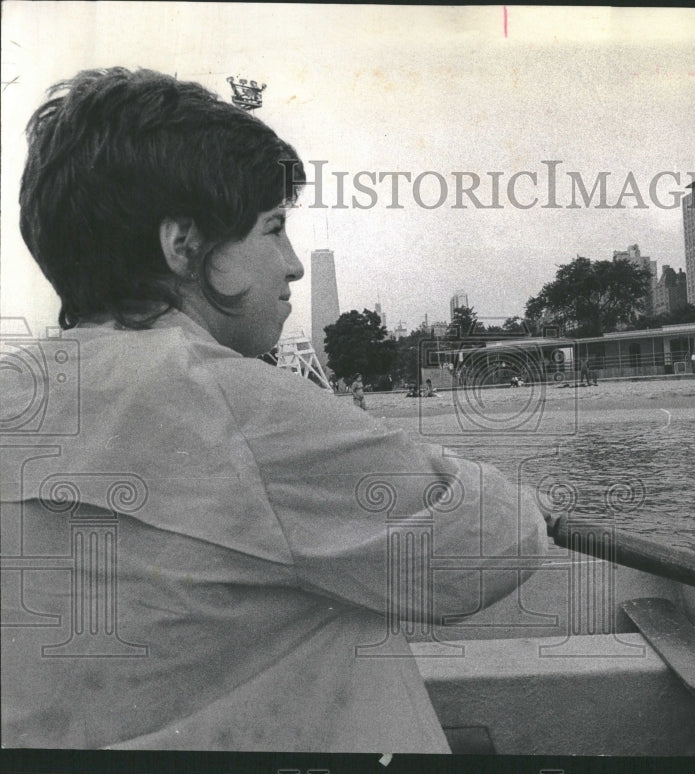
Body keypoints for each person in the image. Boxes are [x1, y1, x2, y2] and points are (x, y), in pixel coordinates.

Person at [2, 68, 551, 752]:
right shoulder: (230, 402)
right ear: (184, 245)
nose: (291, 265)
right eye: (272, 229)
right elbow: (497, 545)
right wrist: (444, 470)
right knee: (349, 595)